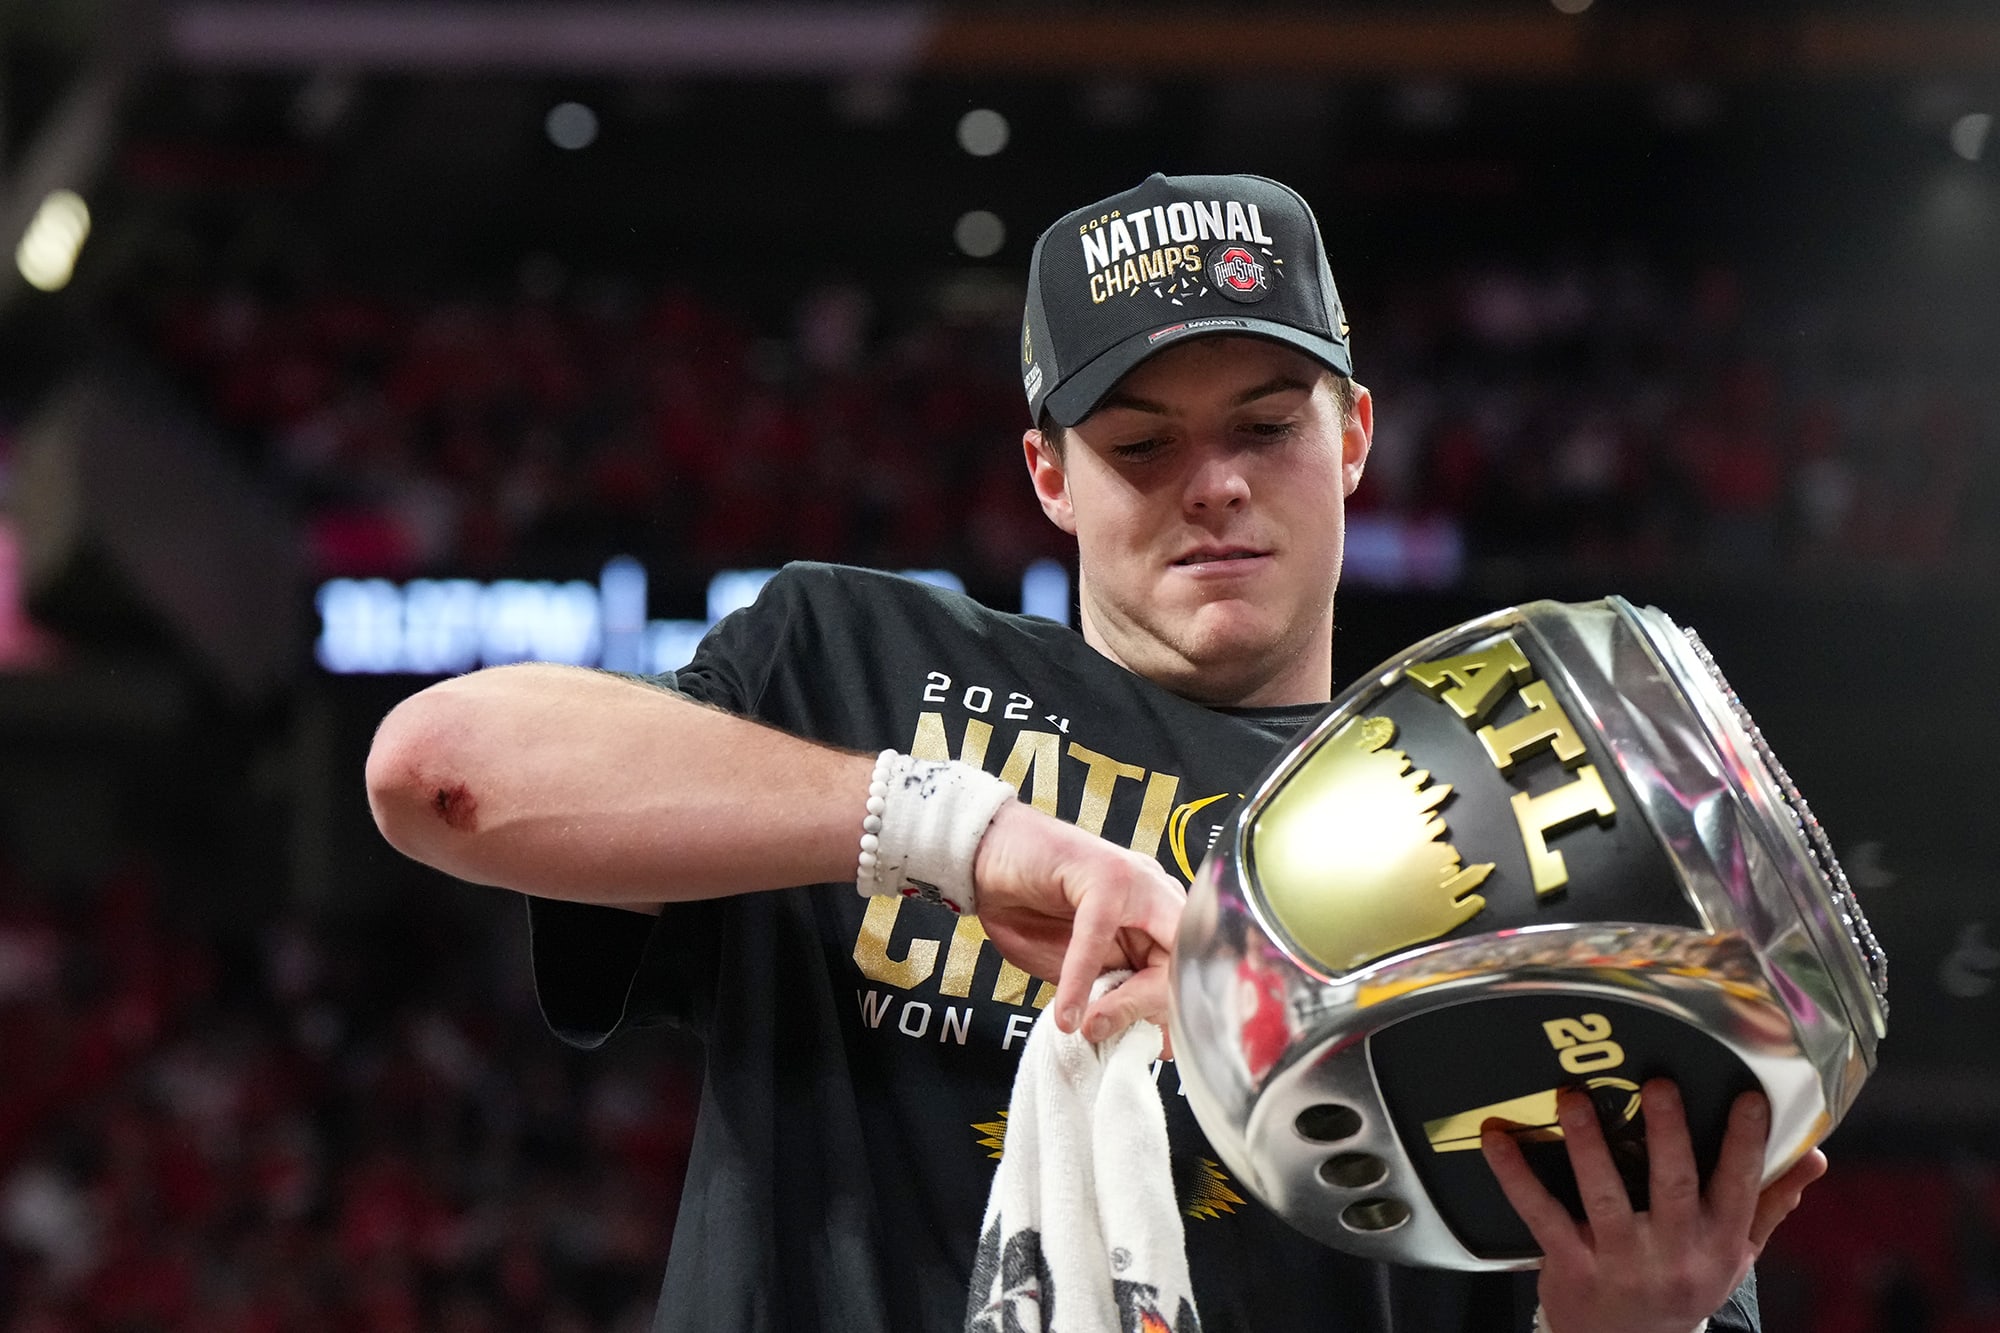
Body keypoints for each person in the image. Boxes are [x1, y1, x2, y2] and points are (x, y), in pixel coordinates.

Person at [366, 172, 1824, 1333]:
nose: (1219, 485)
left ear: (1357, 435)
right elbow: (438, 766)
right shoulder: (854, 667)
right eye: (1142, 446)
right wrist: (958, 829)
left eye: (1267, 423)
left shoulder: (1529, 836)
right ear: (1048, 473)